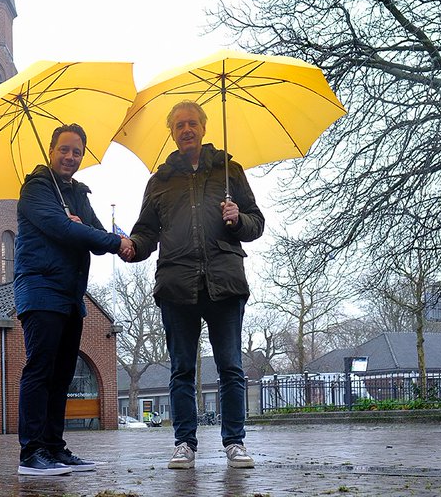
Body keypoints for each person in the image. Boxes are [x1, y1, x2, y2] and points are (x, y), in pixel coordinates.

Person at [121, 100, 265, 470]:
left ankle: (235, 442)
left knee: (231, 366)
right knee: (181, 368)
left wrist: (238, 220)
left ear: (203, 127)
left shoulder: (229, 171)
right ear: (172, 132)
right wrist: (132, 247)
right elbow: (146, 231)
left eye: (192, 123)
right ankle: (185, 442)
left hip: (225, 282)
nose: (186, 129)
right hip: (177, 284)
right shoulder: (160, 181)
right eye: (179, 125)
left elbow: (256, 222)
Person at [13, 123, 135, 477]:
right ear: (50, 151)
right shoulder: (35, 189)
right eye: (64, 149)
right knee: (41, 369)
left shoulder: (79, 193)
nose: (70, 157)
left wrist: (124, 241)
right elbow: (63, 229)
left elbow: (95, 237)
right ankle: (31, 452)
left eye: (77, 152)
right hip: (40, 288)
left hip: (70, 295)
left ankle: (54, 447)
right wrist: (84, 230)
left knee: (63, 373)